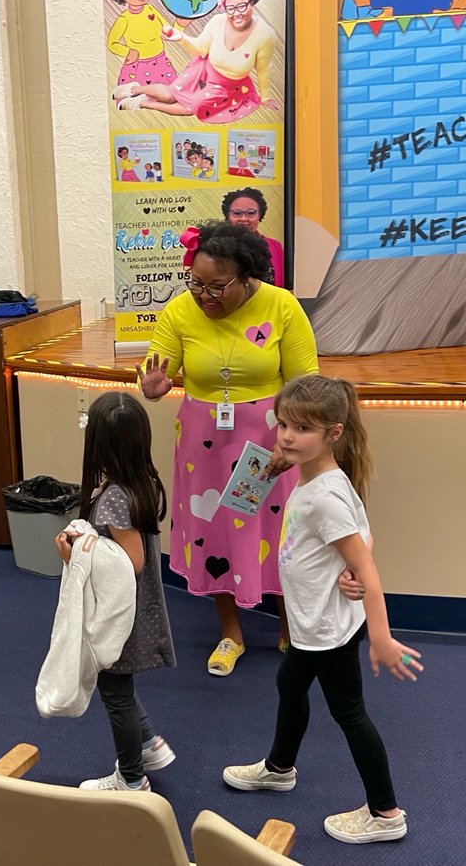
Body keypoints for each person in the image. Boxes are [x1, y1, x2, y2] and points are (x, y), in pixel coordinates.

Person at [139, 222, 360, 676]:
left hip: (270, 440)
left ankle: (290, 627)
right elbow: (157, 365)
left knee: (282, 533)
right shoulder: (180, 311)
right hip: (204, 443)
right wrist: (153, 385)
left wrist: (291, 444)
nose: (205, 296)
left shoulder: (281, 306)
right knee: (216, 530)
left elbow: (304, 385)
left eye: (217, 286)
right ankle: (230, 633)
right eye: (196, 283)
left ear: (248, 277)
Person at [222, 374, 423, 845]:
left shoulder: (326, 497)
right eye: (284, 425)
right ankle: (278, 768)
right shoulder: (324, 476)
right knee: (289, 683)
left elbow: (366, 567)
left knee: (350, 714)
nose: (288, 436)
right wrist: (279, 462)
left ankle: (385, 813)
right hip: (315, 622)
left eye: (302, 430)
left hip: (326, 628)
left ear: (333, 433)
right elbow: (364, 533)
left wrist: (381, 637)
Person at [57, 393, 176, 792]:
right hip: (135, 611)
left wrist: (73, 554)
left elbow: (131, 562)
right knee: (119, 684)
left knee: (114, 691)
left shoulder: (112, 498)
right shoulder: (138, 483)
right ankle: (148, 743)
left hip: (119, 616)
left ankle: (131, 777)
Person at [114, 0, 280, 124]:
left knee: (189, 109)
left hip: (228, 86)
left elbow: (263, 68)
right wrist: (180, 37)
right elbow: (200, 48)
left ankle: (143, 102)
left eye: (242, 6)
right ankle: (135, 89)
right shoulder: (218, 21)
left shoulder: (265, 35)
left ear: (252, 2)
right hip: (203, 72)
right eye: (230, 8)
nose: (236, 13)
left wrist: (266, 96)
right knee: (170, 96)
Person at [106, 0, 178, 91]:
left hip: (161, 63)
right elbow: (112, 43)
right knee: (137, 98)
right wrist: (128, 52)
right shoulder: (124, 19)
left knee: (168, 94)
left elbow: (168, 31)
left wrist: (180, 24)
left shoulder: (151, 10)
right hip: (137, 67)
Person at [222, 187, 285, 287]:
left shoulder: (275, 246)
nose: (243, 219)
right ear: (227, 216)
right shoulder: (218, 246)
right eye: (237, 213)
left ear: (260, 215)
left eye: (251, 213)